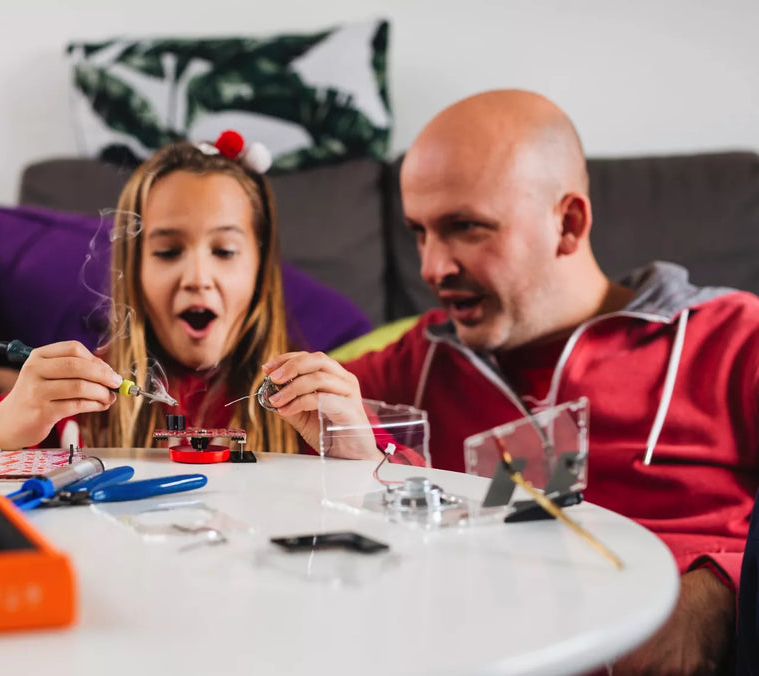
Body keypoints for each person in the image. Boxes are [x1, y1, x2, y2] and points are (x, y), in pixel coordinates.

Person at [263, 90, 754, 673]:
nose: (431, 268)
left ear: (567, 224)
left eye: (465, 228)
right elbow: (223, 435)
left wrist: (726, 590)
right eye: (419, 232)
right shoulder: (417, 362)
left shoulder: (730, 338)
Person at [0, 133, 303, 456]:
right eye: (167, 251)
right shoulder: (76, 402)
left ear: (260, 269)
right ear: (134, 267)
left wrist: (352, 441)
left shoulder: (305, 409)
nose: (197, 277)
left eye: (225, 251)